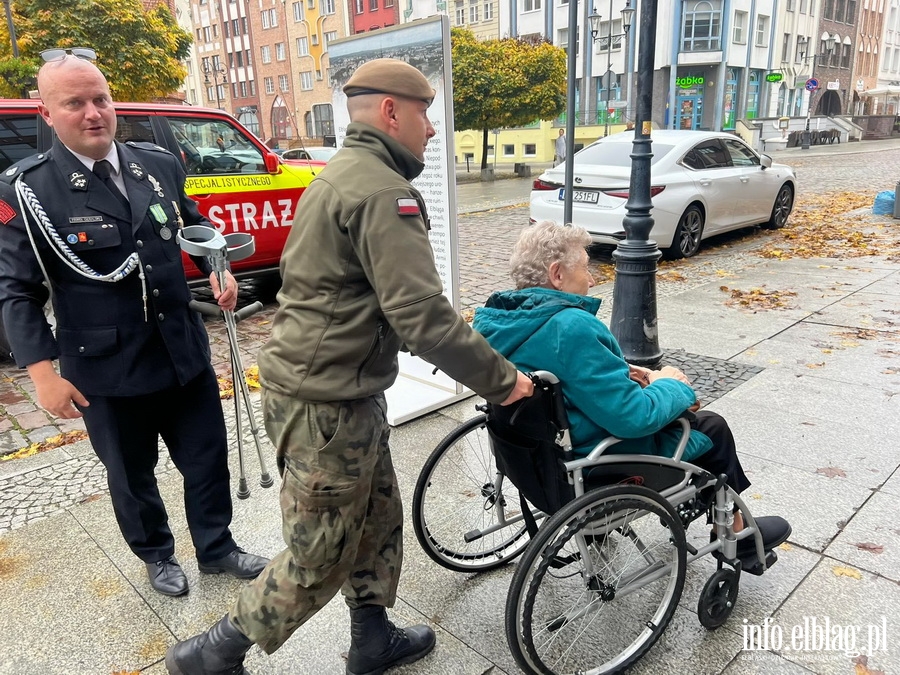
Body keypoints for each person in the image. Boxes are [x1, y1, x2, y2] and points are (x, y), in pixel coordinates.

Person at [165, 58, 534, 675]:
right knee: (320, 552)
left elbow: (355, 298)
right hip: (326, 403)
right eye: (426, 115)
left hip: (333, 391)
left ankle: (371, 639)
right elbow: (423, 317)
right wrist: (506, 380)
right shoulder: (382, 191)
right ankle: (212, 653)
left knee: (378, 518)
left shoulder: (339, 175)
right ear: (392, 111)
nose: (433, 131)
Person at [0, 51, 269, 598]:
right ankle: (157, 555)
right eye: (74, 103)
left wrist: (219, 268)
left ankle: (217, 548)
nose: (93, 112)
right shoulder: (24, 190)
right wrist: (42, 373)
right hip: (106, 367)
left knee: (206, 457)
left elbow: (195, 225)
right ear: (47, 114)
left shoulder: (157, 163)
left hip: (181, 351)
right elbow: (15, 290)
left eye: (100, 99)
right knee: (131, 473)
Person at [472, 221, 791, 554]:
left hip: (530, 460)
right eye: (585, 267)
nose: (592, 278)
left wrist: (620, 370)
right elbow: (632, 418)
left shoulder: (497, 321)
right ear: (557, 274)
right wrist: (669, 383)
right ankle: (738, 538)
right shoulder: (571, 327)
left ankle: (693, 508)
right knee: (713, 428)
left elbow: (567, 373)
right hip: (596, 465)